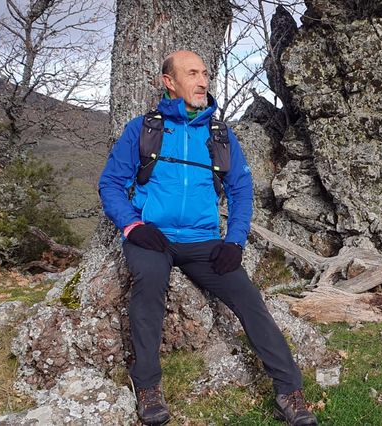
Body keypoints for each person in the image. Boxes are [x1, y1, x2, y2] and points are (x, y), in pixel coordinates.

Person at [98, 50, 317, 426]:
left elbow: (241, 191)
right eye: (192, 74)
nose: (202, 82)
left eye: (205, 74)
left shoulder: (220, 135)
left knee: (250, 299)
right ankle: (147, 386)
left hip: (204, 240)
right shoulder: (144, 129)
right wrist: (133, 226)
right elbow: (111, 183)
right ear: (169, 82)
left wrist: (234, 242)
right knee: (149, 285)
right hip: (153, 237)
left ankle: (289, 392)